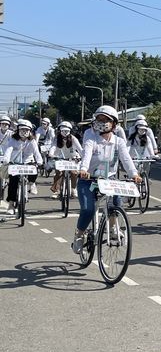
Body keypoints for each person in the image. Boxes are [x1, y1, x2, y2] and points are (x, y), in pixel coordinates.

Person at [72, 105, 141, 254]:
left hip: (109, 180)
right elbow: (87, 153)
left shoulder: (119, 142)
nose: (102, 122)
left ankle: (113, 229)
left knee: (117, 202)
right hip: (89, 180)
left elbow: (126, 159)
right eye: (99, 119)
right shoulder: (90, 136)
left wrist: (134, 174)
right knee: (88, 209)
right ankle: (79, 235)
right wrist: (83, 169)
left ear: (114, 124)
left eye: (106, 120)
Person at [2, 119, 43, 215]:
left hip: (28, 162)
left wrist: (40, 161)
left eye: (26, 130)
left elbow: (36, 153)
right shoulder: (13, 139)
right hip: (15, 162)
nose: (24, 132)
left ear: (30, 131)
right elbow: (9, 149)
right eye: (22, 130)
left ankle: (32, 183)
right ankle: (11, 204)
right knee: (13, 182)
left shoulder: (32, 141)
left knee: (34, 169)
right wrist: (6, 159)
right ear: (18, 130)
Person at [48, 121, 82, 199]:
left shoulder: (73, 138)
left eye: (67, 130)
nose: (65, 132)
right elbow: (53, 147)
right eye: (63, 130)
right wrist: (51, 154)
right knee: (59, 173)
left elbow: (80, 149)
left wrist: (82, 156)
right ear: (60, 130)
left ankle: (73, 189)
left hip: (72, 158)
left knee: (74, 172)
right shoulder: (56, 139)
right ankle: (56, 190)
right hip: (60, 158)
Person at [0, 114, 14, 184]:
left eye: (6, 124)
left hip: (8, 153)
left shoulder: (11, 134)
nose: (4, 125)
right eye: (3, 124)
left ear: (9, 125)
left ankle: (8, 177)